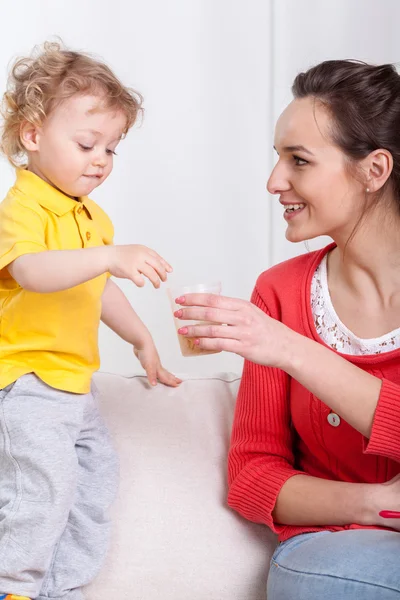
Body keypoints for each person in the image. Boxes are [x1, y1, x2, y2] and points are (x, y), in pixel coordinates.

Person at [174, 59, 400, 599]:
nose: (275, 182)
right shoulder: (278, 293)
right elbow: (253, 476)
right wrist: (375, 505)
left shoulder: (277, 332)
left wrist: (290, 350)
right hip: (338, 554)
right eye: (278, 158)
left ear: (374, 171)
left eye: (298, 160)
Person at [0, 41, 181, 600]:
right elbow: (31, 270)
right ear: (32, 136)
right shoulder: (21, 209)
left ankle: (61, 590)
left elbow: (95, 288)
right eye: (86, 143)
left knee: (95, 488)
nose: (101, 159)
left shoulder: (92, 217)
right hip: (27, 380)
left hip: (75, 386)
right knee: (41, 491)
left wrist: (141, 338)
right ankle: (14, 588)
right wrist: (109, 255)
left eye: (112, 148)